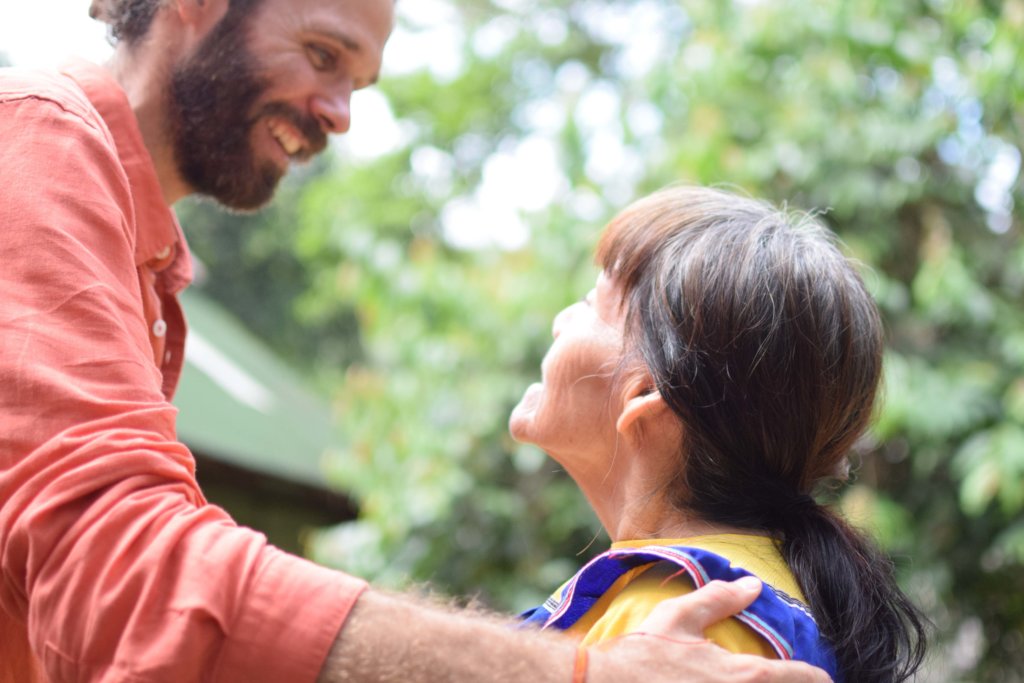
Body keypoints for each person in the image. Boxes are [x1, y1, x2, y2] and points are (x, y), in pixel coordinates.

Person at [0, 0, 834, 680]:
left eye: (357, 82)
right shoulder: (38, 142)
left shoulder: (704, 612)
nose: (340, 116)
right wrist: (584, 672)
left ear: (649, 392)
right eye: (325, 54)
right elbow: (122, 568)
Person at [509, 186, 929, 682]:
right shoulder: (765, 590)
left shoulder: (671, 626)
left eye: (590, 303)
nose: (561, 320)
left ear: (644, 391)